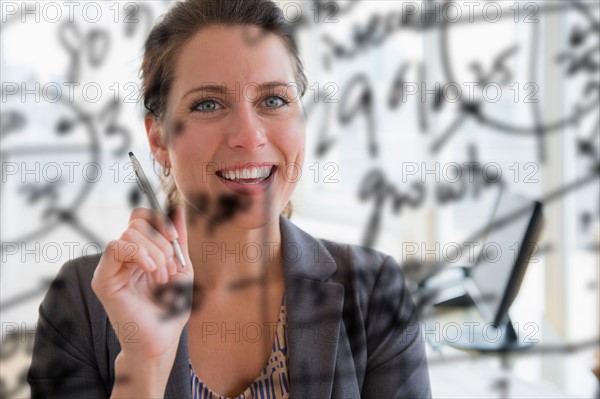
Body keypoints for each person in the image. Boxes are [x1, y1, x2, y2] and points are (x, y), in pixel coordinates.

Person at [27, 0, 431, 397]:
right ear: (158, 139)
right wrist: (143, 364)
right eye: (208, 104)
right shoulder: (80, 302)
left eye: (273, 100)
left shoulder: (374, 291)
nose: (249, 136)